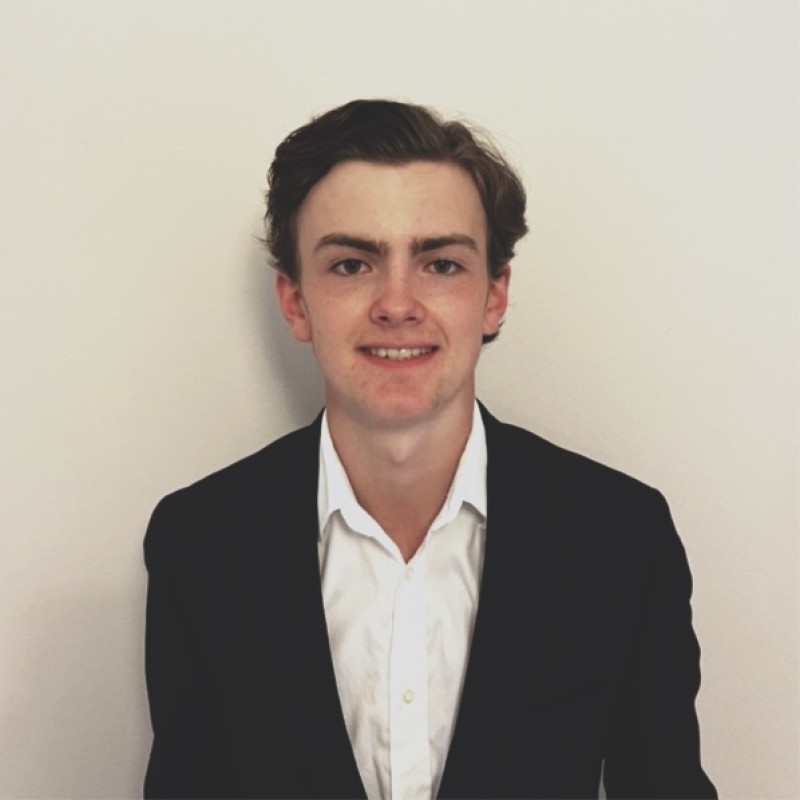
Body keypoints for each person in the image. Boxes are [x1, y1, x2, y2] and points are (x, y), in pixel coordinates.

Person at [143, 99, 717, 799]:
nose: (397, 302)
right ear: (295, 301)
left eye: (440, 264)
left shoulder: (623, 537)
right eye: (352, 264)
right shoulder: (198, 542)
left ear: (494, 295)